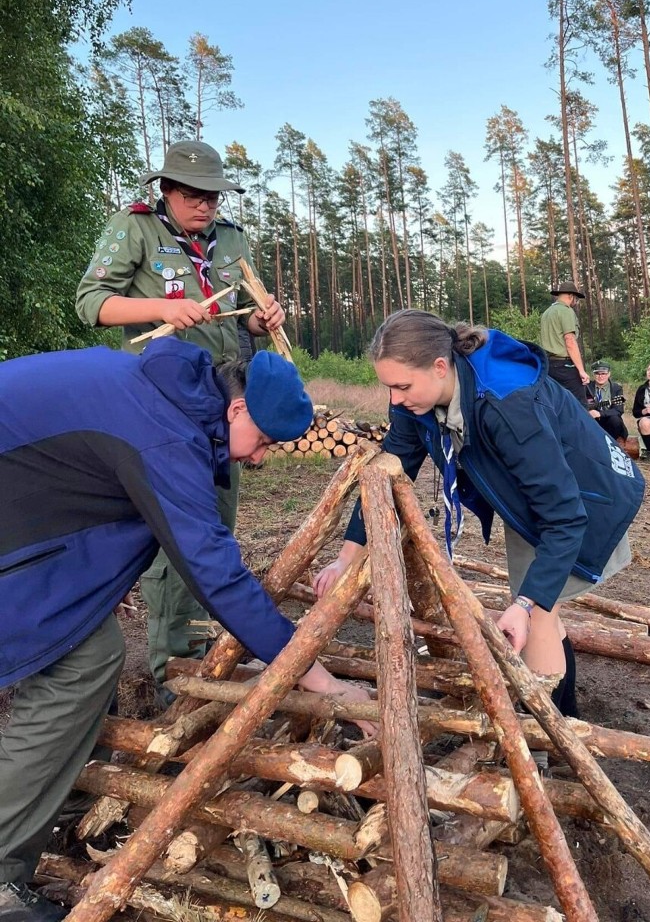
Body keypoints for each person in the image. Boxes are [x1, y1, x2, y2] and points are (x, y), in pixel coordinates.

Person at [0, 338, 373, 922]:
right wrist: (322, 682)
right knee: (81, 662)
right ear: (238, 409)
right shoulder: (165, 433)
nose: (259, 460)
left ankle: (57, 794)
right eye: (266, 442)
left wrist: (98, 581)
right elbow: (217, 577)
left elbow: (80, 486)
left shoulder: (168, 396)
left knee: (86, 648)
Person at [312, 310, 645, 724]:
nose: (394, 399)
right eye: (389, 387)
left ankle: (544, 744)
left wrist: (524, 604)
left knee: (538, 613)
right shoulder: (415, 399)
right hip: (534, 497)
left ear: (439, 367)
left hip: (588, 499)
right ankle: (567, 720)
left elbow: (564, 515)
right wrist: (348, 555)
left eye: (401, 386)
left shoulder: (507, 403)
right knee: (544, 613)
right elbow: (389, 472)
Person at [75, 140, 286, 690]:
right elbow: (92, 303)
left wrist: (261, 324)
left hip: (227, 401)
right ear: (165, 191)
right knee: (178, 532)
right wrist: (162, 308)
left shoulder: (232, 239)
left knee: (216, 525)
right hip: (162, 405)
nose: (205, 206)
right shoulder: (137, 228)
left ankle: (198, 641)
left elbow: (238, 325)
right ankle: (173, 670)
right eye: (193, 195)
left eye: (213, 196)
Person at [539, 281, 589, 404]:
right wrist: (581, 371)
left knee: (556, 404)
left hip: (549, 365)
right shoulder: (565, 311)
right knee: (579, 405)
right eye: (576, 299)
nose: (576, 302)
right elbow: (570, 341)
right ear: (571, 296)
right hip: (565, 366)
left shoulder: (546, 313)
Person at [585, 361, 628, 441]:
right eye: (597, 374)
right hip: (592, 422)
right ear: (593, 375)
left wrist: (600, 414)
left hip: (609, 422)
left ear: (609, 374)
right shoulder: (586, 387)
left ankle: (612, 442)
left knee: (615, 420)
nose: (600, 376)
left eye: (603, 374)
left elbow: (618, 410)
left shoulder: (616, 388)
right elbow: (580, 404)